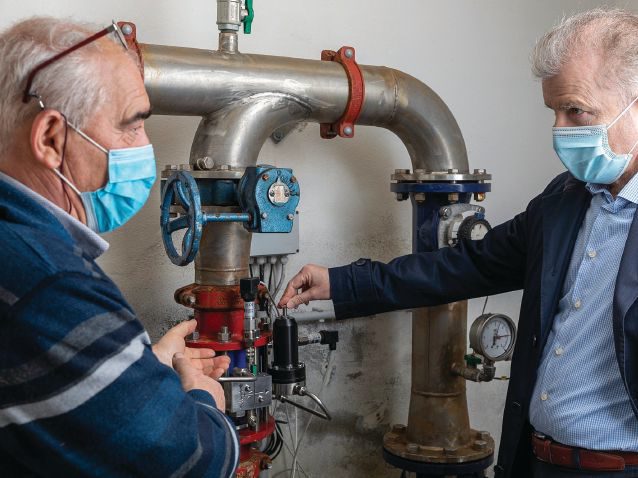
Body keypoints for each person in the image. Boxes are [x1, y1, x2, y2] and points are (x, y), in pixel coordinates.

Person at [280, 8, 638, 478]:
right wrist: (342, 282)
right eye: (554, 111)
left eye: (577, 111)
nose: (560, 129)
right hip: (536, 460)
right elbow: (465, 266)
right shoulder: (564, 200)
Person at [0, 17, 239, 476]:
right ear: (51, 138)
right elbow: (188, 460)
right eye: (132, 127)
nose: (145, 147)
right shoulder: (50, 282)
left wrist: (143, 366)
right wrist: (203, 400)